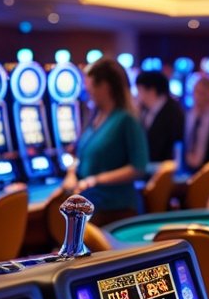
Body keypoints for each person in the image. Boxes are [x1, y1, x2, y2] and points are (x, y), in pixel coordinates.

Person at [63, 57, 150, 225]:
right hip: (88, 201)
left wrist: (95, 180)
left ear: (105, 86)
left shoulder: (126, 119)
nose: (86, 89)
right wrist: (71, 173)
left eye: (90, 85)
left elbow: (138, 167)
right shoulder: (95, 117)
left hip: (115, 207)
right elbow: (77, 154)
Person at [135, 69, 185, 163]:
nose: (138, 95)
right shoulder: (144, 110)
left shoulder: (173, 111)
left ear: (152, 91)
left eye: (140, 90)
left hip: (165, 170)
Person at [183, 73, 209, 171]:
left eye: (202, 93)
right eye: (196, 92)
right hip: (186, 172)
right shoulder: (186, 116)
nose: (198, 97)